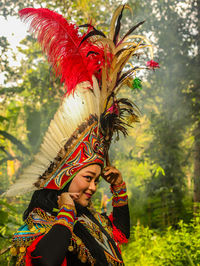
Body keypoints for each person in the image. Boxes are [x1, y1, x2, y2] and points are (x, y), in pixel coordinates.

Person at [6, 4, 157, 265]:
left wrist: (119, 189)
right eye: (88, 177)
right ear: (65, 174)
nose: (93, 187)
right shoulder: (41, 221)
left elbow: (120, 234)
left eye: (96, 180)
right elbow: (46, 261)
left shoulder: (88, 217)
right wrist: (65, 211)